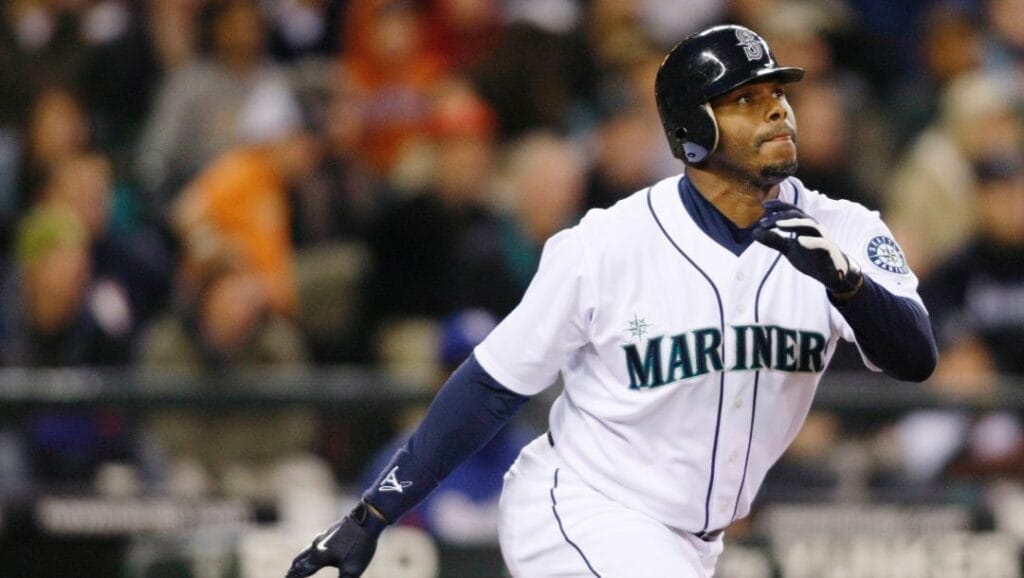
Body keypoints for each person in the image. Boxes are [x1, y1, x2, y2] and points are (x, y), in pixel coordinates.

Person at [286, 25, 937, 578]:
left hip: (689, 541)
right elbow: (491, 385)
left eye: (776, 93)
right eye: (745, 98)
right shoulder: (607, 245)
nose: (777, 111)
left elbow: (915, 357)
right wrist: (371, 515)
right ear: (693, 128)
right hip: (581, 508)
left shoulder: (844, 230)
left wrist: (847, 283)